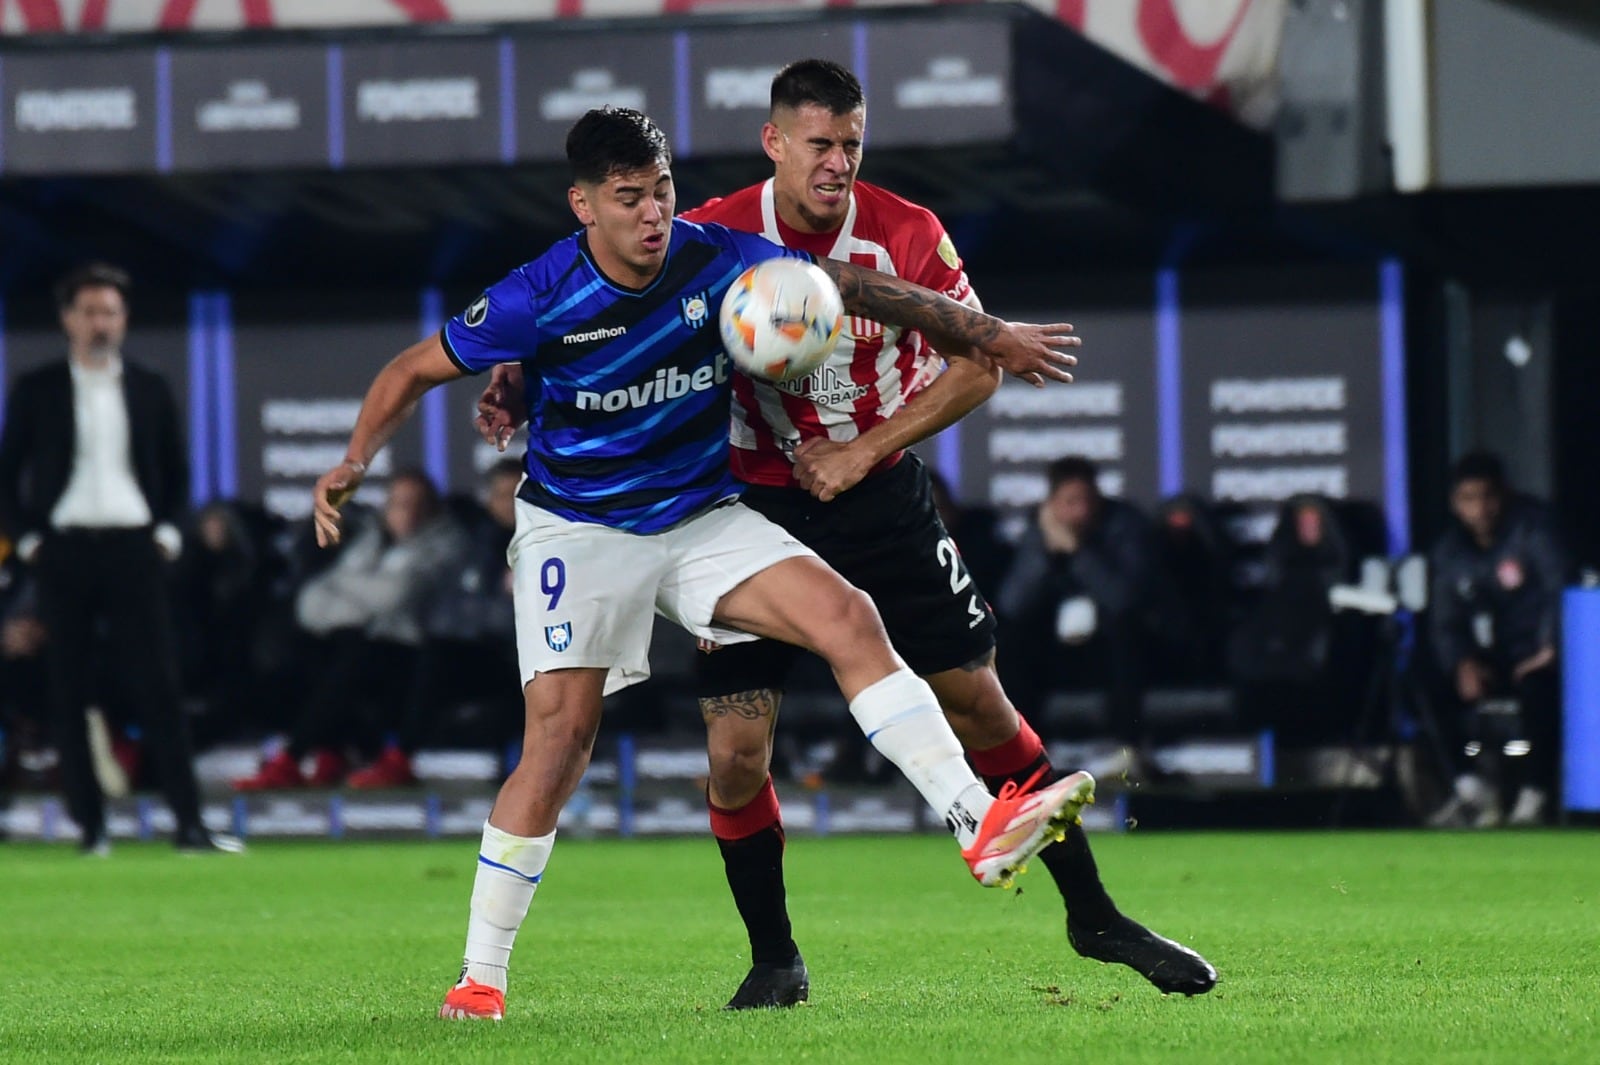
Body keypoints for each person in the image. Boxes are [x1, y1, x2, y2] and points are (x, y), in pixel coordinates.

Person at [309, 106, 1094, 1023]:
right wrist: (355, 461)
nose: (652, 215)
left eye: (663, 192)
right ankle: (481, 975)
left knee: (849, 618)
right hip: (579, 528)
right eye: (628, 198)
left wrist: (986, 330)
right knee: (559, 744)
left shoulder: (713, 259)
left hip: (697, 516)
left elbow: (844, 284)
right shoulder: (536, 294)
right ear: (583, 206)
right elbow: (410, 369)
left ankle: (979, 823)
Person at [476, 65, 1215, 1009]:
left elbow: (977, 366)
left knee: (982, 707)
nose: (838, 163)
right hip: (745, 509)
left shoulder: (908, 230)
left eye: (852, 143)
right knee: (737, 754)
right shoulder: (714, 225)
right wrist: (516, 373)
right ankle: (775, 957)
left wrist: (865, 449)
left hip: (877, 501)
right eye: (819, 144)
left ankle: (1095, 915)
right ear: (775, 142)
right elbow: (606, 303)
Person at [0, 262, 241, 854]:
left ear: (124, 319)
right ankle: (92, 827)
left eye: (109, 311)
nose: (100, 323)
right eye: (88, 312)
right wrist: (30, 541)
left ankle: (189, 825)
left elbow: (178, 473)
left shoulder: (149, 385)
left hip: (135, 548)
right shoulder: (38, 388)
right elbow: (8, 477)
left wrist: (167, 534)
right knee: (68, 689)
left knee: (159, 685)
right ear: (67, 320)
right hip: (64, 550)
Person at [233, 468, 469, 790]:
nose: (407, 512)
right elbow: (311, 601)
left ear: (432, 508)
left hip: (417, 655)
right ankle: (328, 750)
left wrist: (345, 590)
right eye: (399, 503)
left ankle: (295, 758)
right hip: (367, 646)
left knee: (353, 653)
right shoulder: (369, 540)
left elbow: (395, 597)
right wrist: (361, 596)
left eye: (417, 503)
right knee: (315, 649)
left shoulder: (448, 542)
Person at [1426, 452, 1569, 828]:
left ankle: (1534, 794)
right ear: (1456, 504)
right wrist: (1461, 662)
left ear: (1504, 494)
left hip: (1537, 656)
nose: (1481, 509)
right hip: (1490, 659)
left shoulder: (1534, 531)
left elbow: (1560, 590)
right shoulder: (1450, 550)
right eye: (1469, 499)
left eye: (1488, 496)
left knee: (1543, 690)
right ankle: (1471, 788)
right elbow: (1445, 620)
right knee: (1422, 677)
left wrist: (1551, 648)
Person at [999, 456, 1159, 758]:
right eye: (1070, 502)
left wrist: (1077, 551)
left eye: (1088, 500)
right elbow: (1012, 604)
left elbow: (1123, 600)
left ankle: (1128, 749)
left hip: (1114, 647)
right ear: (1052, 504)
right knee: (1014, 641)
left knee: (1123, 630)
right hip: (1059, 652)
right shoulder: (1041, 529)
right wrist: (1044, 553)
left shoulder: (1125, 524)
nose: (1082, 511)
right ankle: (1024, 753)